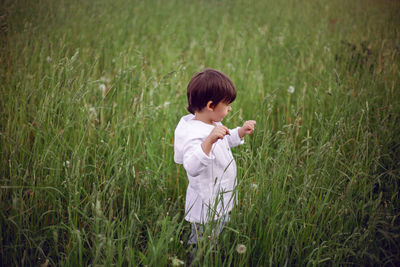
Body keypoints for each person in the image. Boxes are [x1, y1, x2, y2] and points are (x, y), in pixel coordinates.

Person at [174, 68, 256, 246]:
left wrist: (240, 132)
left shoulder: (212, 122)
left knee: (218, 231)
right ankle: (196, 259)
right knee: (203, 241)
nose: (229, 108)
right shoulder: (193, 133)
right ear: (210, 106)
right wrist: (209, 140)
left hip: (220, 195)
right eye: (226, 105)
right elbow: (192, 166)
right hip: (206, 203)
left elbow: (224, 141)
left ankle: (214, 254)